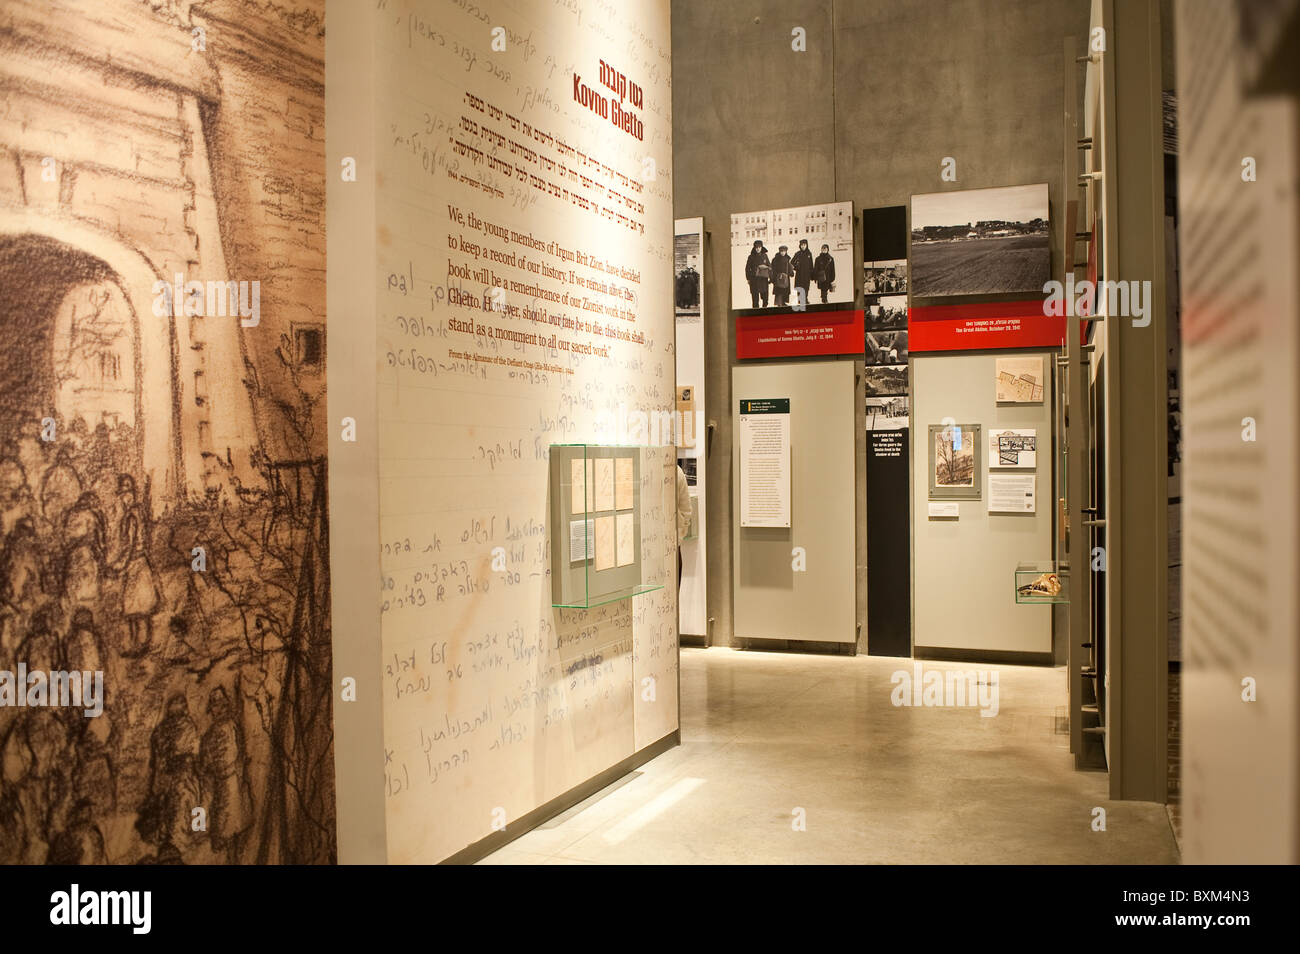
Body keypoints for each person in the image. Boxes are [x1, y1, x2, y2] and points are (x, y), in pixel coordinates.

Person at [113, 474, 158, 657]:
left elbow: (130, 546)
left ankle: (139, 645)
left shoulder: (131, 516)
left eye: (126, 494)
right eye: (122, 495)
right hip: (140, 562)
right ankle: (139, 644)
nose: (124, 498)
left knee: (135, 607)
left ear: (130, 494)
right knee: (139, 608)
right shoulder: (138, 512)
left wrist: (119, 566)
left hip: (135, 564)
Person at [675, 464, 691, 588]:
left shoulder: (677, 472)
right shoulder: (677, 471)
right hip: (673, 544)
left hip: (672, 545)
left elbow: (685, 512)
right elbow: (686, 512)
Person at [744, 240, 770, 308]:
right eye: (756, 247)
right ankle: (755, 312)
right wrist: (748, 278)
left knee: (765, 298)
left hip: (763, 280)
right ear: (754, 248)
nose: (758, 249)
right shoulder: (751, 257)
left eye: (759, 247)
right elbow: (747, 268)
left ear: (761, 247)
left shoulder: (765, 256)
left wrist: (770, 276)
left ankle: (765, 310)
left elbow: (769, 266)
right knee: (755, 299)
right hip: (754, 280)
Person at [791, 239, 814, 306]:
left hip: (807, 274)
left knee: (806, 287)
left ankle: (805, 299)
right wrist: (796, 267)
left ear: (806, 245)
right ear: (800, 246)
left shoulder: (809, 254)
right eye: (802, 245)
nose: (803, 246)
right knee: (799, 287)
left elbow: (811, 265)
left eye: (804, 245)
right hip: (799, 274)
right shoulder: (797, 254)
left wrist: (812, 274)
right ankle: (800, 300)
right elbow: (791, 263)